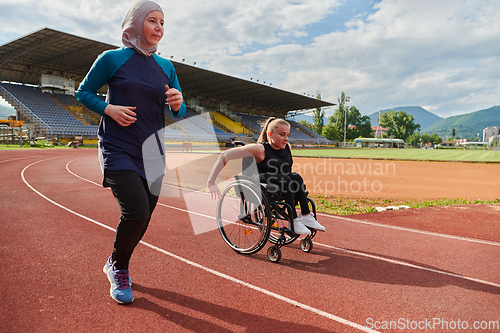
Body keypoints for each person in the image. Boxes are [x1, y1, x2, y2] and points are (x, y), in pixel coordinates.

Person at [76, 0, 186, 304]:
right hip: (118, 147)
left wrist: (178, 104)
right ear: (136, 22)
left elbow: (179, 109)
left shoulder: (167, 67)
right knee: (135, 211)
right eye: (152, 20)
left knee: (145, 216)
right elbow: (82, 92)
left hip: (153, 152)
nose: (159, 28)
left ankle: (115, 262)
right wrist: (109, 108)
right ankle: (119, 267)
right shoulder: (111, 59)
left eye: (163, 23)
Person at [208, 117, 325, 235]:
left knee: (296, 177)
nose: (286, 138)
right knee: (287, 179)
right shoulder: (260, 149)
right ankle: (293, 221)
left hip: (280, 181)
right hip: (260, 180)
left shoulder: (287, 147)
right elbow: (225, 154)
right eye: (282, 134)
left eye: (288, 135)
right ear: (270, 134)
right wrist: (211, 181)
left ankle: (306, 215)